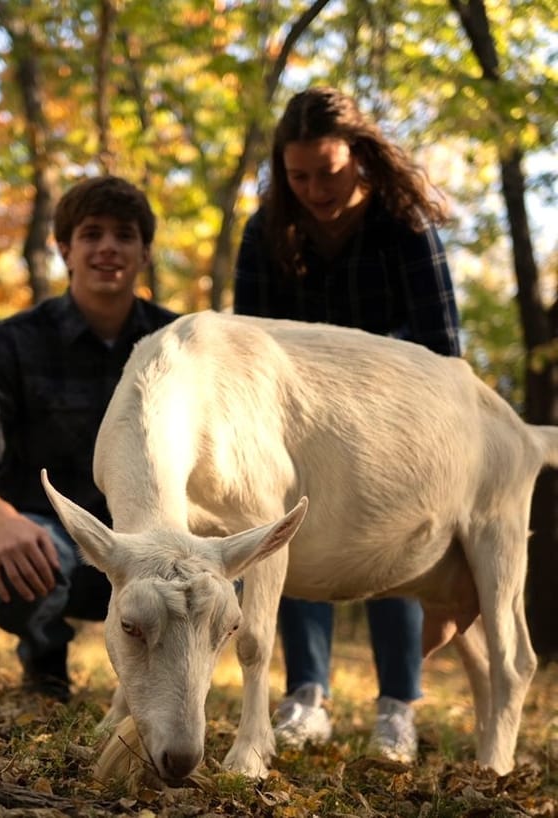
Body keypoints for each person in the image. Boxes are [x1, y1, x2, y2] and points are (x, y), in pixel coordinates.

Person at [233, 86, 462, 763]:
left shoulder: (404, 223)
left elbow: (444, 348)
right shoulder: (264, 230)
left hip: (394, 424)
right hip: (298, 423)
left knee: (383, 552)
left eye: (327, 171)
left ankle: (398, 707)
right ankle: (305, 694)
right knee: (295, 541)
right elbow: (248, 344)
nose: (314, 189)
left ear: (358, 156)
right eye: (297, 176)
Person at [0, 175, 178, 702]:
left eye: (124, 235)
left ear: (144, 251)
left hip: (157, 546)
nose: (108, 247)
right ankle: (45, 666)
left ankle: (166, 688)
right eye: (91, 234)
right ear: (65, 248)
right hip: (51, 545)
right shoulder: (12, 342)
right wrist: (0, 521)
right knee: (6, 580)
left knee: (238, 582)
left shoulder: (180, 345)